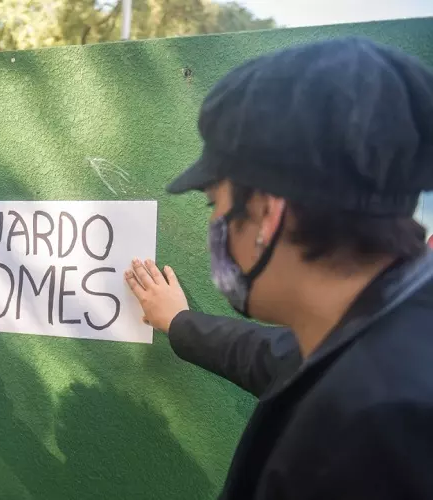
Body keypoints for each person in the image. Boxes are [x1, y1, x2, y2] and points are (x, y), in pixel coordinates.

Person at [126, 37, 433, 499]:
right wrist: (179, 322)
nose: (214, 223)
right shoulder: (386, 326)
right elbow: (271, 354)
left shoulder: (370, 434)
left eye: (214, 204)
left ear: (268, 214)